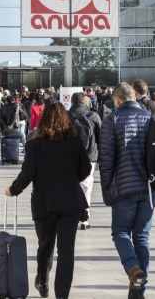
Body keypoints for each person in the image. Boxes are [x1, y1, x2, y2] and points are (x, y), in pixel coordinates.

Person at [5, 102, 91, 299]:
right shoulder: (75, 143)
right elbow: (85, 169)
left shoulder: (34, 146)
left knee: (45, 244)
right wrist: (70, 178)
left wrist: (13, 190)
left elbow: (27, 174)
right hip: (70, 201)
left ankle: (42, 279)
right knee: (66, 252)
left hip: (44, 203)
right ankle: (62, 295)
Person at [99, 83, 155, 299]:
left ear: (118, 100)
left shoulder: (112, 120)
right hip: (149, 188)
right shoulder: (151, 117)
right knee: (142, 237)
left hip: (123, 187)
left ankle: (133, 268)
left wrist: (107, 189)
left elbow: (106, 159)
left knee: (120, 232)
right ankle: (138, 291)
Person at [68, 92, 101, 230]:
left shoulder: (65, 116)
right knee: (86, 186)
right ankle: (84, 219)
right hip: (89, 156)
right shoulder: (93, 116)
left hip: (68, 156)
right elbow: (101, 137)